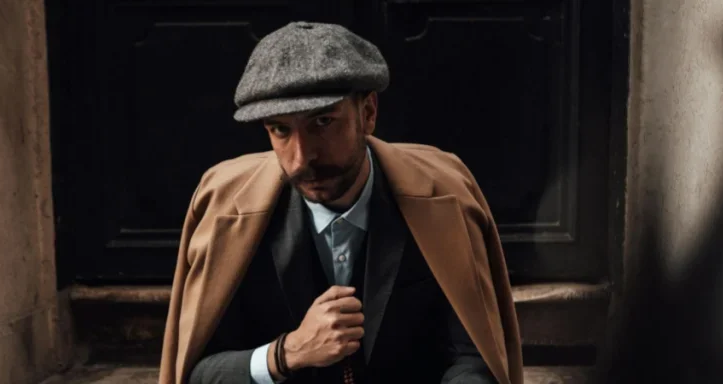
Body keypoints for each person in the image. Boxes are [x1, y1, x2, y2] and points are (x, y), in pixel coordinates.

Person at [159, 21, 523, 384]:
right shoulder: (224, 206)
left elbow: (474, 357)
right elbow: (195, 373)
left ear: (368, 113)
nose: (301, 158)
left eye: (322, 122)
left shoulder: (445, 192)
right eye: (281, 129)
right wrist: (286, 354)